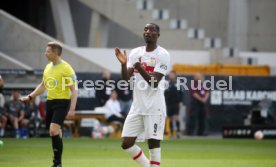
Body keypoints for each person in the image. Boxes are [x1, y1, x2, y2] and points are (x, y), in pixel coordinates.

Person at [115, 23, 170, 167]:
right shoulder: (135, 53)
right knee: (126, 143)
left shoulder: (162, 54)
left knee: (153, 143)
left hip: (154, 107)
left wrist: (138, 67)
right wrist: (124, 64)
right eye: (145, 29)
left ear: (158, 35)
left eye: (152, 30)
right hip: (137, 106)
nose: (147, 32)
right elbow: (126, 79)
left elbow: (154, 82)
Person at [20, 41, 78, 167]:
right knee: (56, 132)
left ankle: (57, 163)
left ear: (55, 53)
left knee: (53, 130)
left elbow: (74, 90)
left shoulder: (66, 68)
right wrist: (30, 96)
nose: (45, 53)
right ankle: (59, 162)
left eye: (48, 51)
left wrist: (72, 109)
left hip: (62, 102)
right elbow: (43, 85)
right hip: (50, 102)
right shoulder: (47, 67)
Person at [164, 71, 183, 138]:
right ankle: (171, 133)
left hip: (176, 103)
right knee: (170, 118)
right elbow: (165, 93)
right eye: (170, 75)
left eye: (172, 75)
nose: (171, 76)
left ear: (175, 75)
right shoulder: (167, 83)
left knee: (176, 117)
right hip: (169, 103)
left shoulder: (178, 83)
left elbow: (181, 93)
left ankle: (178, 132)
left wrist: (180, 101)